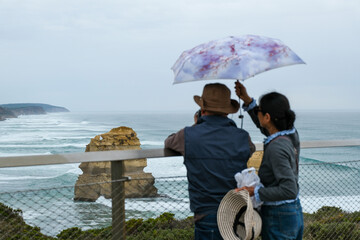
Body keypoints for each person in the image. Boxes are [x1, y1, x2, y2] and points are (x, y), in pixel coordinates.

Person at [165, 83, 255, 240]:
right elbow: (250, 149)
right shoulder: (242, 136)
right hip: (237, 211)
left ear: (202, 109)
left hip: (206, 214)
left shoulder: (189, 135)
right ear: (227, 111)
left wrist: (196, 124)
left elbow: (169, 142)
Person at [234, 80, 304, 240]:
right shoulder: (290, 134)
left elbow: (289, 189)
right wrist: (248, 101)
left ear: (267, 117)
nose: (257, 112)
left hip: (279, 216)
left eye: (260, 111)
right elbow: (267, 127)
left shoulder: (276, 147)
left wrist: (254, 191)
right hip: (293, 212)